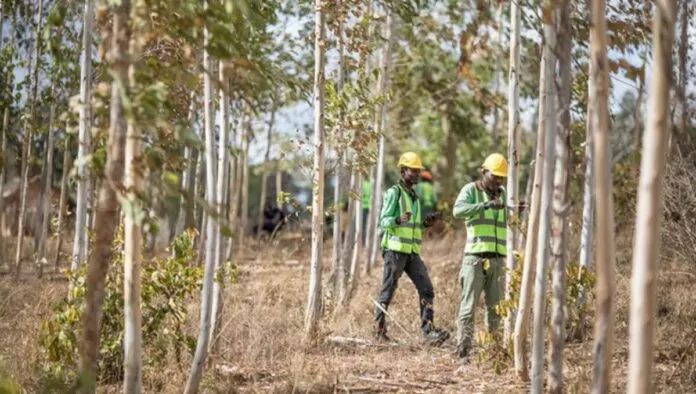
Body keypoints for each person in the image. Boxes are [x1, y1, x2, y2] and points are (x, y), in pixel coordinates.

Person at [374, 151, 449, 345]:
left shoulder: (413, 196)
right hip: (395, 250)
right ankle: (378, 331)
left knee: (427, 290)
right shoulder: (394, 193)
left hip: (412, 253)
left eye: (418, 171)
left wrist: (426, 223)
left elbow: (412, 227)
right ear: (403, 170)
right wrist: (397, 219)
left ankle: (429, 332)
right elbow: (383, 221)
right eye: (412, 170)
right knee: (388, 291)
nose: (416, 174)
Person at [452, 153, 509, 364]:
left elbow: (507, 221)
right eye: (495, 176)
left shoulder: (504, 193)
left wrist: (516, 211)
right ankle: (463, 353)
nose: (498, 181)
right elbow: (457, 210)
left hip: (497, 260)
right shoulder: (471, 190)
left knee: (496, 310)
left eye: (502, 178)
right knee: (468, 308)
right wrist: (485, 206)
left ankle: (491, 351)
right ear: (484, 172)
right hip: (475, 260)